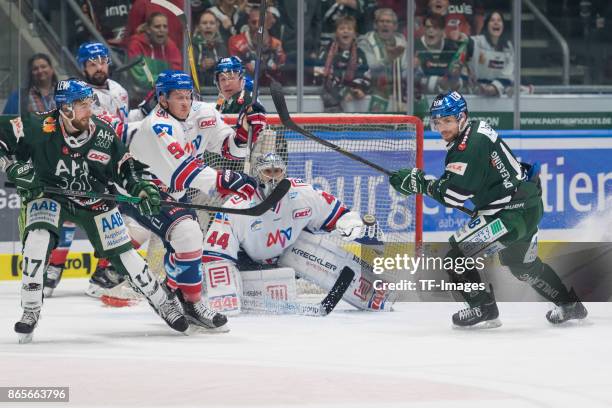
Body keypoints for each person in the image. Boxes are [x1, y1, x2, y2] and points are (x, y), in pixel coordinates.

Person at [0, 79, 190, 343]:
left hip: (94, 201)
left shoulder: (102, 133)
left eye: (89, 103)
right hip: (49, 195)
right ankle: (31, 308)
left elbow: (126, 168)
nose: (89, 110)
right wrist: (14, 168)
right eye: (81, 105)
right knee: (37, 241)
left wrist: (142, 188)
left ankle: (164, 303)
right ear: (65, 108)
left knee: (128, 258)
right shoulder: (37, 125)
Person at [389, 91, 588, 328]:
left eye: (448, 121)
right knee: (523, 266)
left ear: (462, 117)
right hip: (527, 203)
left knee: (455, 259)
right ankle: (569, 304)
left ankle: (483, 307)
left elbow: (453, 195)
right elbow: (481, 177)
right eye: (438, 121)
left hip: (509, 215)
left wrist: (419, 183)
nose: (442, 127)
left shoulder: (466, 149)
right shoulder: (478, 128)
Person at [125, 70, 266, 327]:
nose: (185, 102)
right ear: (162, 99)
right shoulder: (157, 124)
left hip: (169, 193)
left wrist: (246, 129)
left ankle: (175, 293)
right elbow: (186, 170)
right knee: (187, 232)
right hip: (138, 192)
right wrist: (229, 182)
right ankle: (187, 301)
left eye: (188, 96)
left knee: (186, 239)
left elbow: (231, 148)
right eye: (178, 97)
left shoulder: (204, 114)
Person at [202, 153, 393, 314]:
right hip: (247, 263)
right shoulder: (236, 206)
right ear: (258, 175)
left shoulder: (302, 194)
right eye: (268, 172)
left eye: (278, 171)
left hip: (286, 256)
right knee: (230, 296)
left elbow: (339, 216)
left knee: (310, 246)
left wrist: (357, 228)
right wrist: (222, 293)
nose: (274, 177)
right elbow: (215, 256)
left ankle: (373, 293)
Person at [42, 42, 131, 299]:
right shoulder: (77, 93)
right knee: (71, 216)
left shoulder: (120, 91)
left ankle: (101, 273)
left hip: (111, 162)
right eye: (92, 63)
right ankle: (55, 267)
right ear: (83, 66)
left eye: (102, 61)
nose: (99, 67)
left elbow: (123, 126)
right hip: (81, 160)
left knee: (112, 218)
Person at [312, 15, 371, 113]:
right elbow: (320, 76)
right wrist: (344, 91)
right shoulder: (325, 52)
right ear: (336, 33)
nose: (345, 31)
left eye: (349, 29)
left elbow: (365, 74)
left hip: (354, 100)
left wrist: (359, 88)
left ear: (355, 34)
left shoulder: (360, 53)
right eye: (342, 28)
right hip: (331, 99)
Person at [358, 8, 408, 112]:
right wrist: (388, 59)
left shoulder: (402, 43)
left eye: (388, 22)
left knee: (415, 93)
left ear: (395, 26)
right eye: (381, 21)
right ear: (375, 25)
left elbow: (405, 68)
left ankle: (421, 124)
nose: (385, 24)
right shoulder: (365, 42)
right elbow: (371, 68)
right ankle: (374, 126)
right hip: (373, 86)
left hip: (398, 87)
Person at [228, 6, 286, 86]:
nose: (257, 26)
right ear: (248, 22)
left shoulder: (276, 44)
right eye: (253, 22)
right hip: (244, 88)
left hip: (268, 90)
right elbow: (235, 69)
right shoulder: (235, 41)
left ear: (267, 23)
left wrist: (267, 46)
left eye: (261, 23)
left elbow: (280, 68)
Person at [127, 12, 182, 90]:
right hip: (140, 96)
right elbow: (141, 78)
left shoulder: (171, 46)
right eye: (157, 27)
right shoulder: (136, 45)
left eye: (165, 26)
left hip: (167, 93)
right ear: (148, 29)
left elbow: (177, 74)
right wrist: (167, 80)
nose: (162, 30)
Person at [465, 11, 514, 97]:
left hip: (499, 91)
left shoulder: (508, 47)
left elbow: (509, 74)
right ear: (487, 25)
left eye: (499, 20)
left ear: (503, 26)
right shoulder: (476, 42)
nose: (496, 23)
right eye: (492, 20)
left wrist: (494, 87)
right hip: (477, 93)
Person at [414, 14, 465, 95]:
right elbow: (407, 79)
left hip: (448, 96)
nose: (430, 30)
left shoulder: (452, 47)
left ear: (443, 31)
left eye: (435, 27)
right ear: (423, 29)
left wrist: (455, 78)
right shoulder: (414, 46)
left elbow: (463, 80)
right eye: (428, 27)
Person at [193, 10, 228, 88]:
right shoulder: (191, 47)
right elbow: (186, 74)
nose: (208, 26)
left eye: (212, 23)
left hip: (219, 93)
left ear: (217, 26)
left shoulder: (223, 47)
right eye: (204, 23)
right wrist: (201, 68)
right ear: (198, 27)